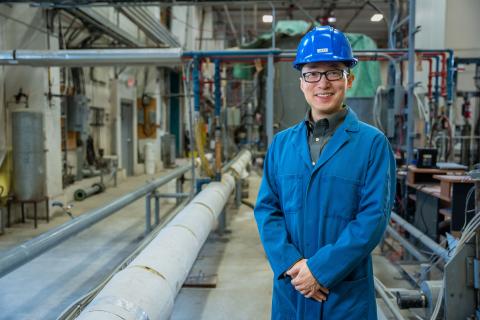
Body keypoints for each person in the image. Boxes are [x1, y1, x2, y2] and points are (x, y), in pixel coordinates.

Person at [254, 26, 396, 320]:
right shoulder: (281, 145)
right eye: (313, 73)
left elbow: (372, 219)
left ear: (350, 80)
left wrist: (320, 270)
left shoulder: (373, 144)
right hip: (292, 290)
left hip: (344, 296)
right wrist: (292, 265)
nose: (323, 83)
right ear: (301, 82)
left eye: (333, 72)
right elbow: (267, 210)